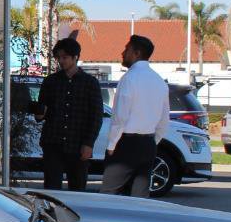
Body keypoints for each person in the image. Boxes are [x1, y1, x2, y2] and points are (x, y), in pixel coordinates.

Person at [101, 34, 168, 197]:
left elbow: (120, 116)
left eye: (127, 49)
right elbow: (164, 119)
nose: (123, 53)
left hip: (126, 143)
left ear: (137, 53)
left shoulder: (129, 78)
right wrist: (153, 141)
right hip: (148, 143)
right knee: (140, 195)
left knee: (108, 193)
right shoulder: (159, 81)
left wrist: (112, 144)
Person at [33, 37, 101, 191]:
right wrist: (39, 113)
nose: (61, 61)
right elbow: (42, 109)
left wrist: (89, 143)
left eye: (65, 57)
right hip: (53, 142)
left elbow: (96, 116)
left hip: (77, 143)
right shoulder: (51, 82)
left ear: (75, 57)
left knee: (77, 187)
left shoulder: (90, 83)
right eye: (58, 58)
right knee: (51, 186)